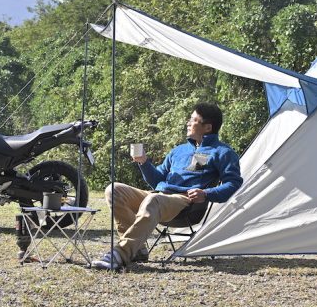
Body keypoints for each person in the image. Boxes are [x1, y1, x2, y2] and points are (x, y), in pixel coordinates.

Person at [91, 102, 242, 270]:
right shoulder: (179, 150)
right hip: (159, 195)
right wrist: (144, 163)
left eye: (193, 120)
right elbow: (157, 180)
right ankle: (139, 249)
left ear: (207, 127)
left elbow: (234, 183)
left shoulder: (223, 152)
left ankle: (120, 254)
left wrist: (206, 193)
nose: (188, 123)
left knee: (154, 199)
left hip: (185, 202)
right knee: (114, 190)